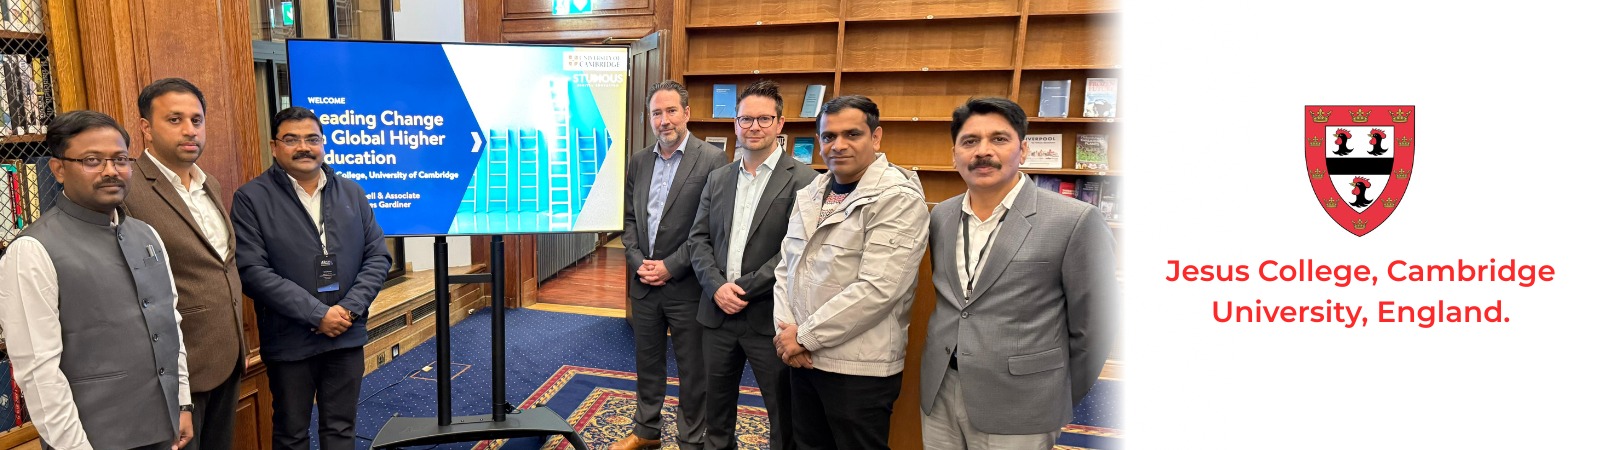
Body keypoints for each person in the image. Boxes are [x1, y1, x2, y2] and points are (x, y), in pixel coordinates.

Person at [919, 97, 1117, 450]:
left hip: (1023, 403)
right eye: (970, 141)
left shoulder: (1074, 221)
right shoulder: (941, 216)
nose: (983, 151)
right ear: (954, 155)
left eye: (999, 139)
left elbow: (1096, 327)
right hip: (941, 392)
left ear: (1023, 149)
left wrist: (1056, 396)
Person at [0, 110, 194, 449]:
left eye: (120, 159)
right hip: (92, 439)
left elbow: (169, 325)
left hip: (164, 427)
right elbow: (38, 373)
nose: (110, 171)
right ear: (58, 169)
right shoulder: (31, 250)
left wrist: (183, 403)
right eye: (92, 160)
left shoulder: (147, 235)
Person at [771, 95, 928, 450]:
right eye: (829, 136)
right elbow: (786, 269)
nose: (838, 145)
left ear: (876, 137)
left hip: (856, 369)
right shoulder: (812, 193)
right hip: (802, 358)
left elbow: (878, 289)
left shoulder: (897, 198)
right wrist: (787, 333)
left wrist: (803, 336)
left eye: (852, 134)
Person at [232, 106, 391, 450]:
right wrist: (317, 314)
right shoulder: (251, 198)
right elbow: (252, 271)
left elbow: (378, 256)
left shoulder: (352, 193)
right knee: (291, 434)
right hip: (290, 340)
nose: (303, 147)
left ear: (323, 144)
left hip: (345, 335)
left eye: (312, 139)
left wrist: (347, 310)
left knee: (341, 430)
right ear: (274, 146)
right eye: (291, 139)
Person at [687, 80, 818, 450]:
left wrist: (742, 289)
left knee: (783, 416)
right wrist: (717, 287)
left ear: (780, 123)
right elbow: (698, 239)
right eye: (746, 119)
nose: (754, 126)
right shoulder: (718, 178)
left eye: (764, 119)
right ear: (735, 123)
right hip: (717, 315)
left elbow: (796, 251)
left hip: (769, 319)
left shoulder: (806, 181)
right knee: (715, 414)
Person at [122, 78, 247, 450]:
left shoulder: (210, 184)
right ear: (146, 128)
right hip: (175, 374)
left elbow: (218, 266)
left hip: (227, 357)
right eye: (174, 120)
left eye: (196, 120)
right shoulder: (128, 189)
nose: (190, 130)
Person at [614, 80, 723, 450]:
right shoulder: (638, 161)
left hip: (687, 284)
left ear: (687, 113)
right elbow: (630, 220)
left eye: (671, 111)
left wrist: (671, 266)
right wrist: (637, 261)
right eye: (656, 113)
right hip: (644, 283)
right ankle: (646, 431)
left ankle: (690, 438)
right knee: (647, 362)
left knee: (693, 368)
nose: (664, 120)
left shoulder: (711, 160)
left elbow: (709, 228)